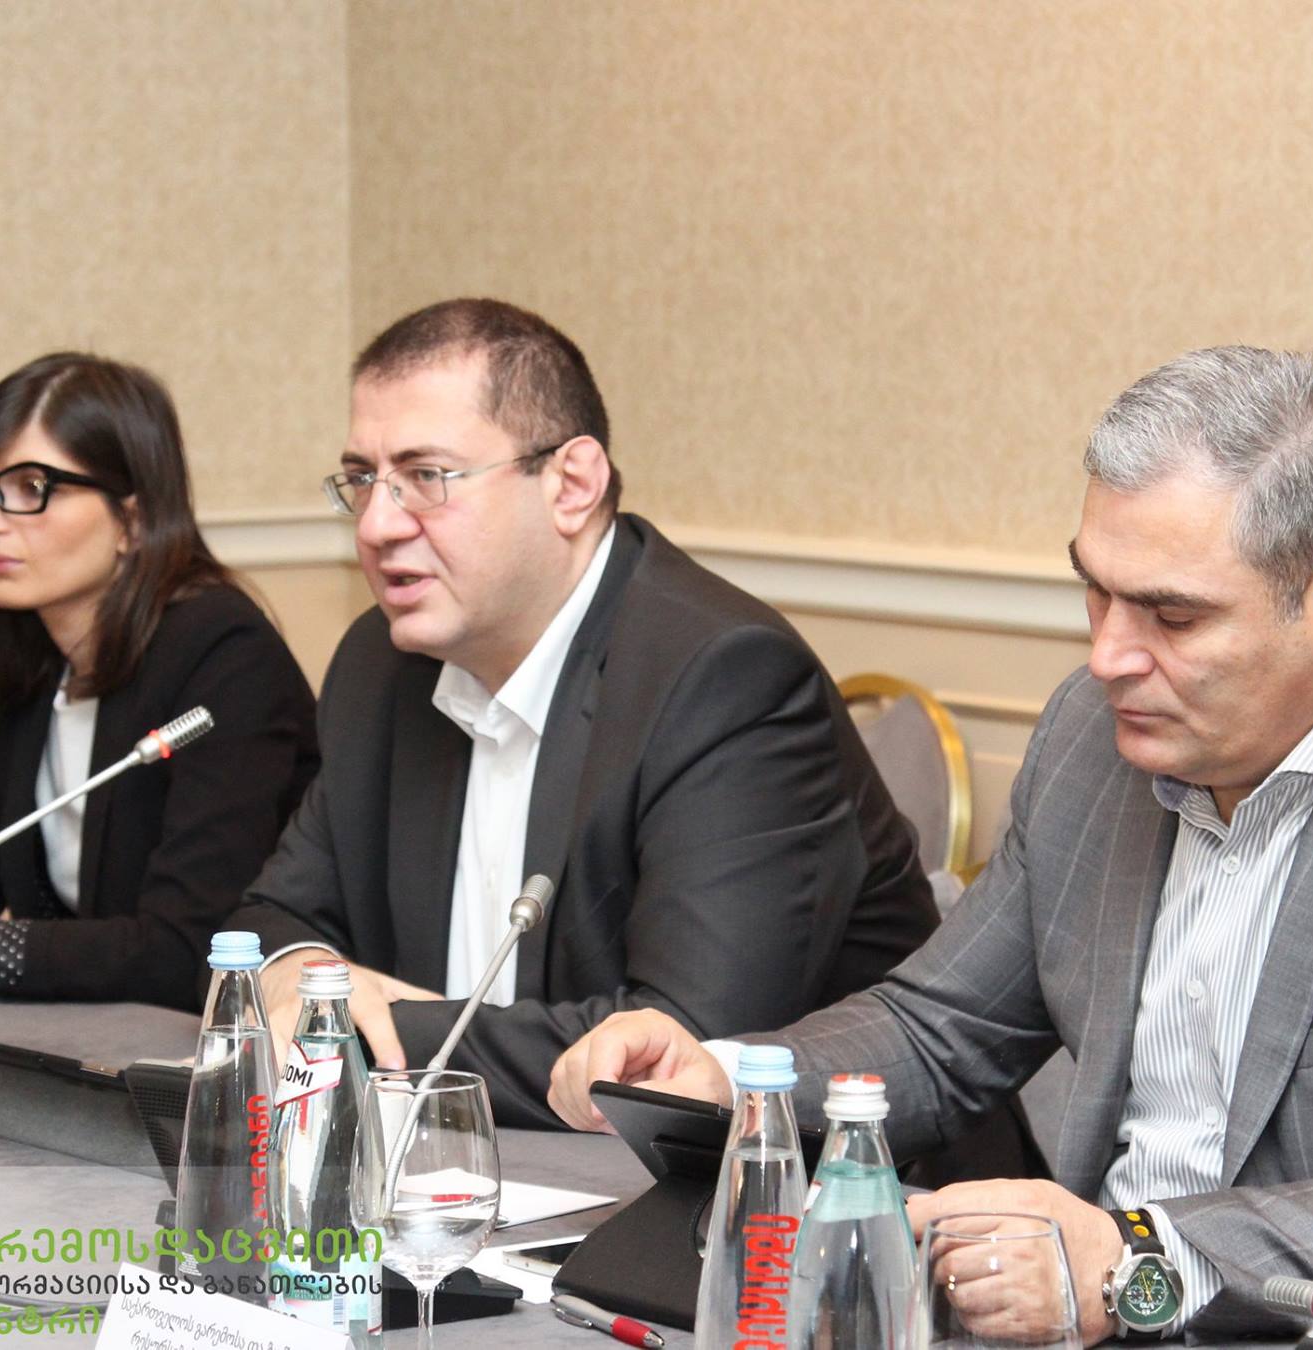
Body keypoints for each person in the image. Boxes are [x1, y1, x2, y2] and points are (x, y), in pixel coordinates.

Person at [551, 347, 1313, 1349]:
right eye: (1094, 594)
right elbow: (942, 1026)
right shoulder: (1095, 739)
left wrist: (1142, 1257)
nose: (1107, 658)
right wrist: (736, 1083)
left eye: (1171, 617)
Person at [224, 298, 940, 1128]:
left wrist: (354, 1029)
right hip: (478, 1168)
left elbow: (678, 1050)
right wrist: (293, 973)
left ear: (572, 485)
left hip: (830, 1190)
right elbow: (273, 919)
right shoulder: (381, 666)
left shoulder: (723, 678)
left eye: (426, 478)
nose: (378, 525)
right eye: (362, 480)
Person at [0, 353, 319, 1010]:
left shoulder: (227, 657)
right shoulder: (40, 665)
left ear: (132, 520)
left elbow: (187, 952)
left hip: (237, 1046)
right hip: (103, 1039)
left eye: (31, 486)